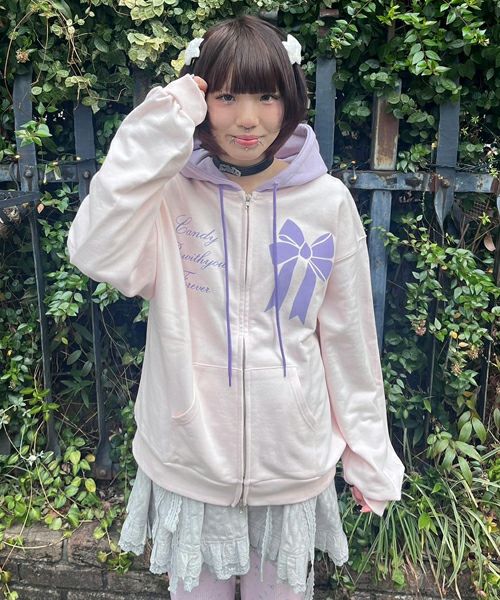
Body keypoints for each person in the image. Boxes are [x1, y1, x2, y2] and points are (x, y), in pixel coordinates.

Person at [67, 14, 405, 600]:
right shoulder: (169, 196)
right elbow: (95, 250)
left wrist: (369, 455)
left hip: (291, 466)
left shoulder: (326, 203)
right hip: (191, 460)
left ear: (290, 98)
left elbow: (350, 342)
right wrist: (162, 125)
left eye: (266, 97)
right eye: (226, 97)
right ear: (201, 100)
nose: (248, 119)